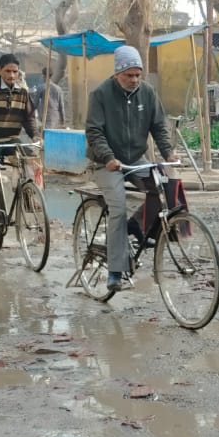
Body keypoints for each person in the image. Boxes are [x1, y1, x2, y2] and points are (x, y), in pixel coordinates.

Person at [84, 45, 174, 292]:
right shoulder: (100, 94)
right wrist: (108, 157)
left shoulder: (147, 93)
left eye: (138, 74)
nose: (134, 80)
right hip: (105, 163)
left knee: (165, 189)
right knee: (118, 206)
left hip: (135, 158)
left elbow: (159, 127)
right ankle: (115, 271)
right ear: (117, 73)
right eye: (129, 75)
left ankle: (135, 227)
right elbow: (94, 131)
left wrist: (169, 153)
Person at [0, 53, 41, 244]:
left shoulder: (23, 90)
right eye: (8, 71)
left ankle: (28, 196)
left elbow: (28, 118)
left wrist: (35, 135)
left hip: (12, 139)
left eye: (15, 71)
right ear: (0, 71)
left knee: (31, 161)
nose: (12, 76)